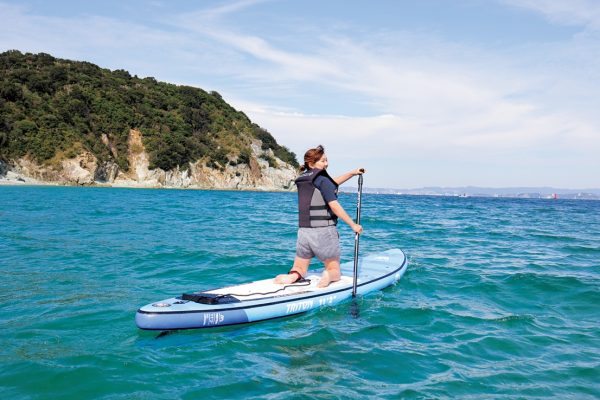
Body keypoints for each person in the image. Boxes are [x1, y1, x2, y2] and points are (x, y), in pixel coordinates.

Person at [274, 145, 364, 288]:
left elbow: (331, 183)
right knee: (334, 269)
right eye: (322, 161)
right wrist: (353, 225)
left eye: (326, 160)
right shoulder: (322, 179)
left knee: (300, 268)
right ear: (311, 163)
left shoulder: (304, 179)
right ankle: (329, 275)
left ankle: (292, 276)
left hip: (304, 232)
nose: (326, 163)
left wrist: (352, 173)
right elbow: (334, 205)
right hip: (324, 232)